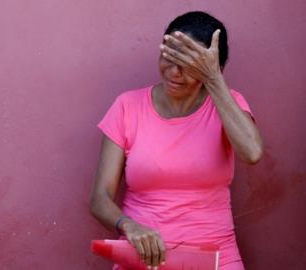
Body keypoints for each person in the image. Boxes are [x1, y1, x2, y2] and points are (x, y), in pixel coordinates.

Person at [90, 11, 263, 270]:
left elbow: (252, 153)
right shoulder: (128, 106)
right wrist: (128, 226)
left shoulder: (229, 104)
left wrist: (214, 80)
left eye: (186, 65)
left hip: (216, 257)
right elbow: (100, 198)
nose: (173, 72)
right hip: (142, 259)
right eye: (167, 58)